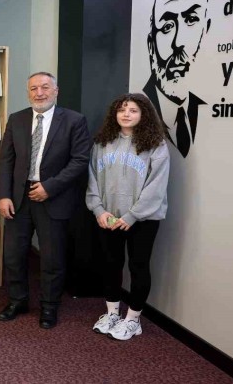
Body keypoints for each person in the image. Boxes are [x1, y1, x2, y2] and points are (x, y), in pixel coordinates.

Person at [0, 71, 91, 329]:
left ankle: (49, 306)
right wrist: (3, 195)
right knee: (13, 255)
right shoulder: (16, 119)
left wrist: (50, 187)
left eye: (45, 87)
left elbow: (80, 160)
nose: (39, 93)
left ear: (56, 91)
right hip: (19, 198)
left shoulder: (74, 120)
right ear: (28, 92)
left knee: (51, 258)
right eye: (34, 88)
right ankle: (17, 301)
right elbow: (6, 161)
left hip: (53, 197)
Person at [86, 93, 170, 341]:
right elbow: (91, 178)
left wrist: (133, 215)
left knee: (138, 266)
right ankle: (112, 313)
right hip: (108, 217)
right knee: (111, 265)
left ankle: (133, 319)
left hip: (143, 219)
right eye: (122, 110)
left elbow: (157, 186)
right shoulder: (102, 142)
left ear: (144, 114)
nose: (126, 114)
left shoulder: (156, 144)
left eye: (133, 110)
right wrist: (98, 209)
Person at [144, 0, 210, 157]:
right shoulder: (142, 110)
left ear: (205, 32)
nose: (178, 42)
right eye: (167, 27)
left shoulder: (202, 106)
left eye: (191, 20)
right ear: (151, 46)